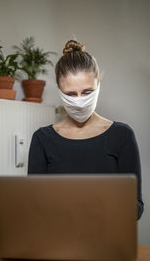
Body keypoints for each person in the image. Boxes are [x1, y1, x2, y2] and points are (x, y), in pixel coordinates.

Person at [28, 39, 144, 220]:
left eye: (87, 92)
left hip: (108, 239)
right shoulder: (42, 139)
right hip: (58, 238)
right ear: (59, 91)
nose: (79, 100)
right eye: (70, 94)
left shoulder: (122, 136)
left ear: (98, 86)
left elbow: (136, 205)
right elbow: (34, 203)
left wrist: (103, 209)